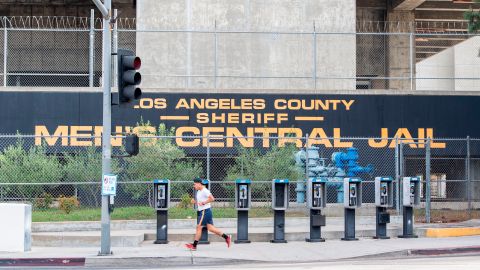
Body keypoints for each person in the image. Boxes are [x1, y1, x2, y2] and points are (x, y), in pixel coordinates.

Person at [185, 178, 231, 251]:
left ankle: (194, 246)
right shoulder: (199, 191)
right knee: (211, 229)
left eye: (194, 184)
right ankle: (227, 237)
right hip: (204, 211)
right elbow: (201, 202)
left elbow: (212, 198)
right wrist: (195, 202)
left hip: (205, 211)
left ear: (199, 183)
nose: (194, 186)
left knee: (199, 227)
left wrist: (204, 203)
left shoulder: (205, 190)